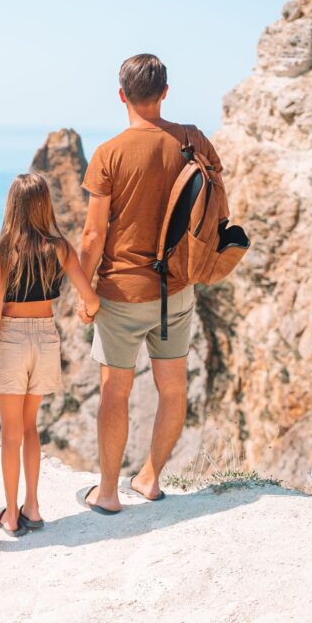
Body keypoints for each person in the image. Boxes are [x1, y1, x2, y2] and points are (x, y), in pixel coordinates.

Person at [76, 54, 227, 514]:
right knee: (173, 388)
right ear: (166, 92)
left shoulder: (109, 154)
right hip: (177, 291)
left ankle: (107, 493)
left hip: (122, 293)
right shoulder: (192, 139)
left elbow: (93, 234)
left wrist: (83, 294)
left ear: (121, 94)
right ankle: (151, 478)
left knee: (114, 392)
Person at [0, 173, 100, 536]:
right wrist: (87, 311)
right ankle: (32, 507)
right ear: (44, 205)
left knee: (11, 433)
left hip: (11, 340)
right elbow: (90, 297)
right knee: (31, 427)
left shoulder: (3, 250)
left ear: (12, 206)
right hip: (46, 338)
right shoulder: (61, 247)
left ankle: (11, 516)